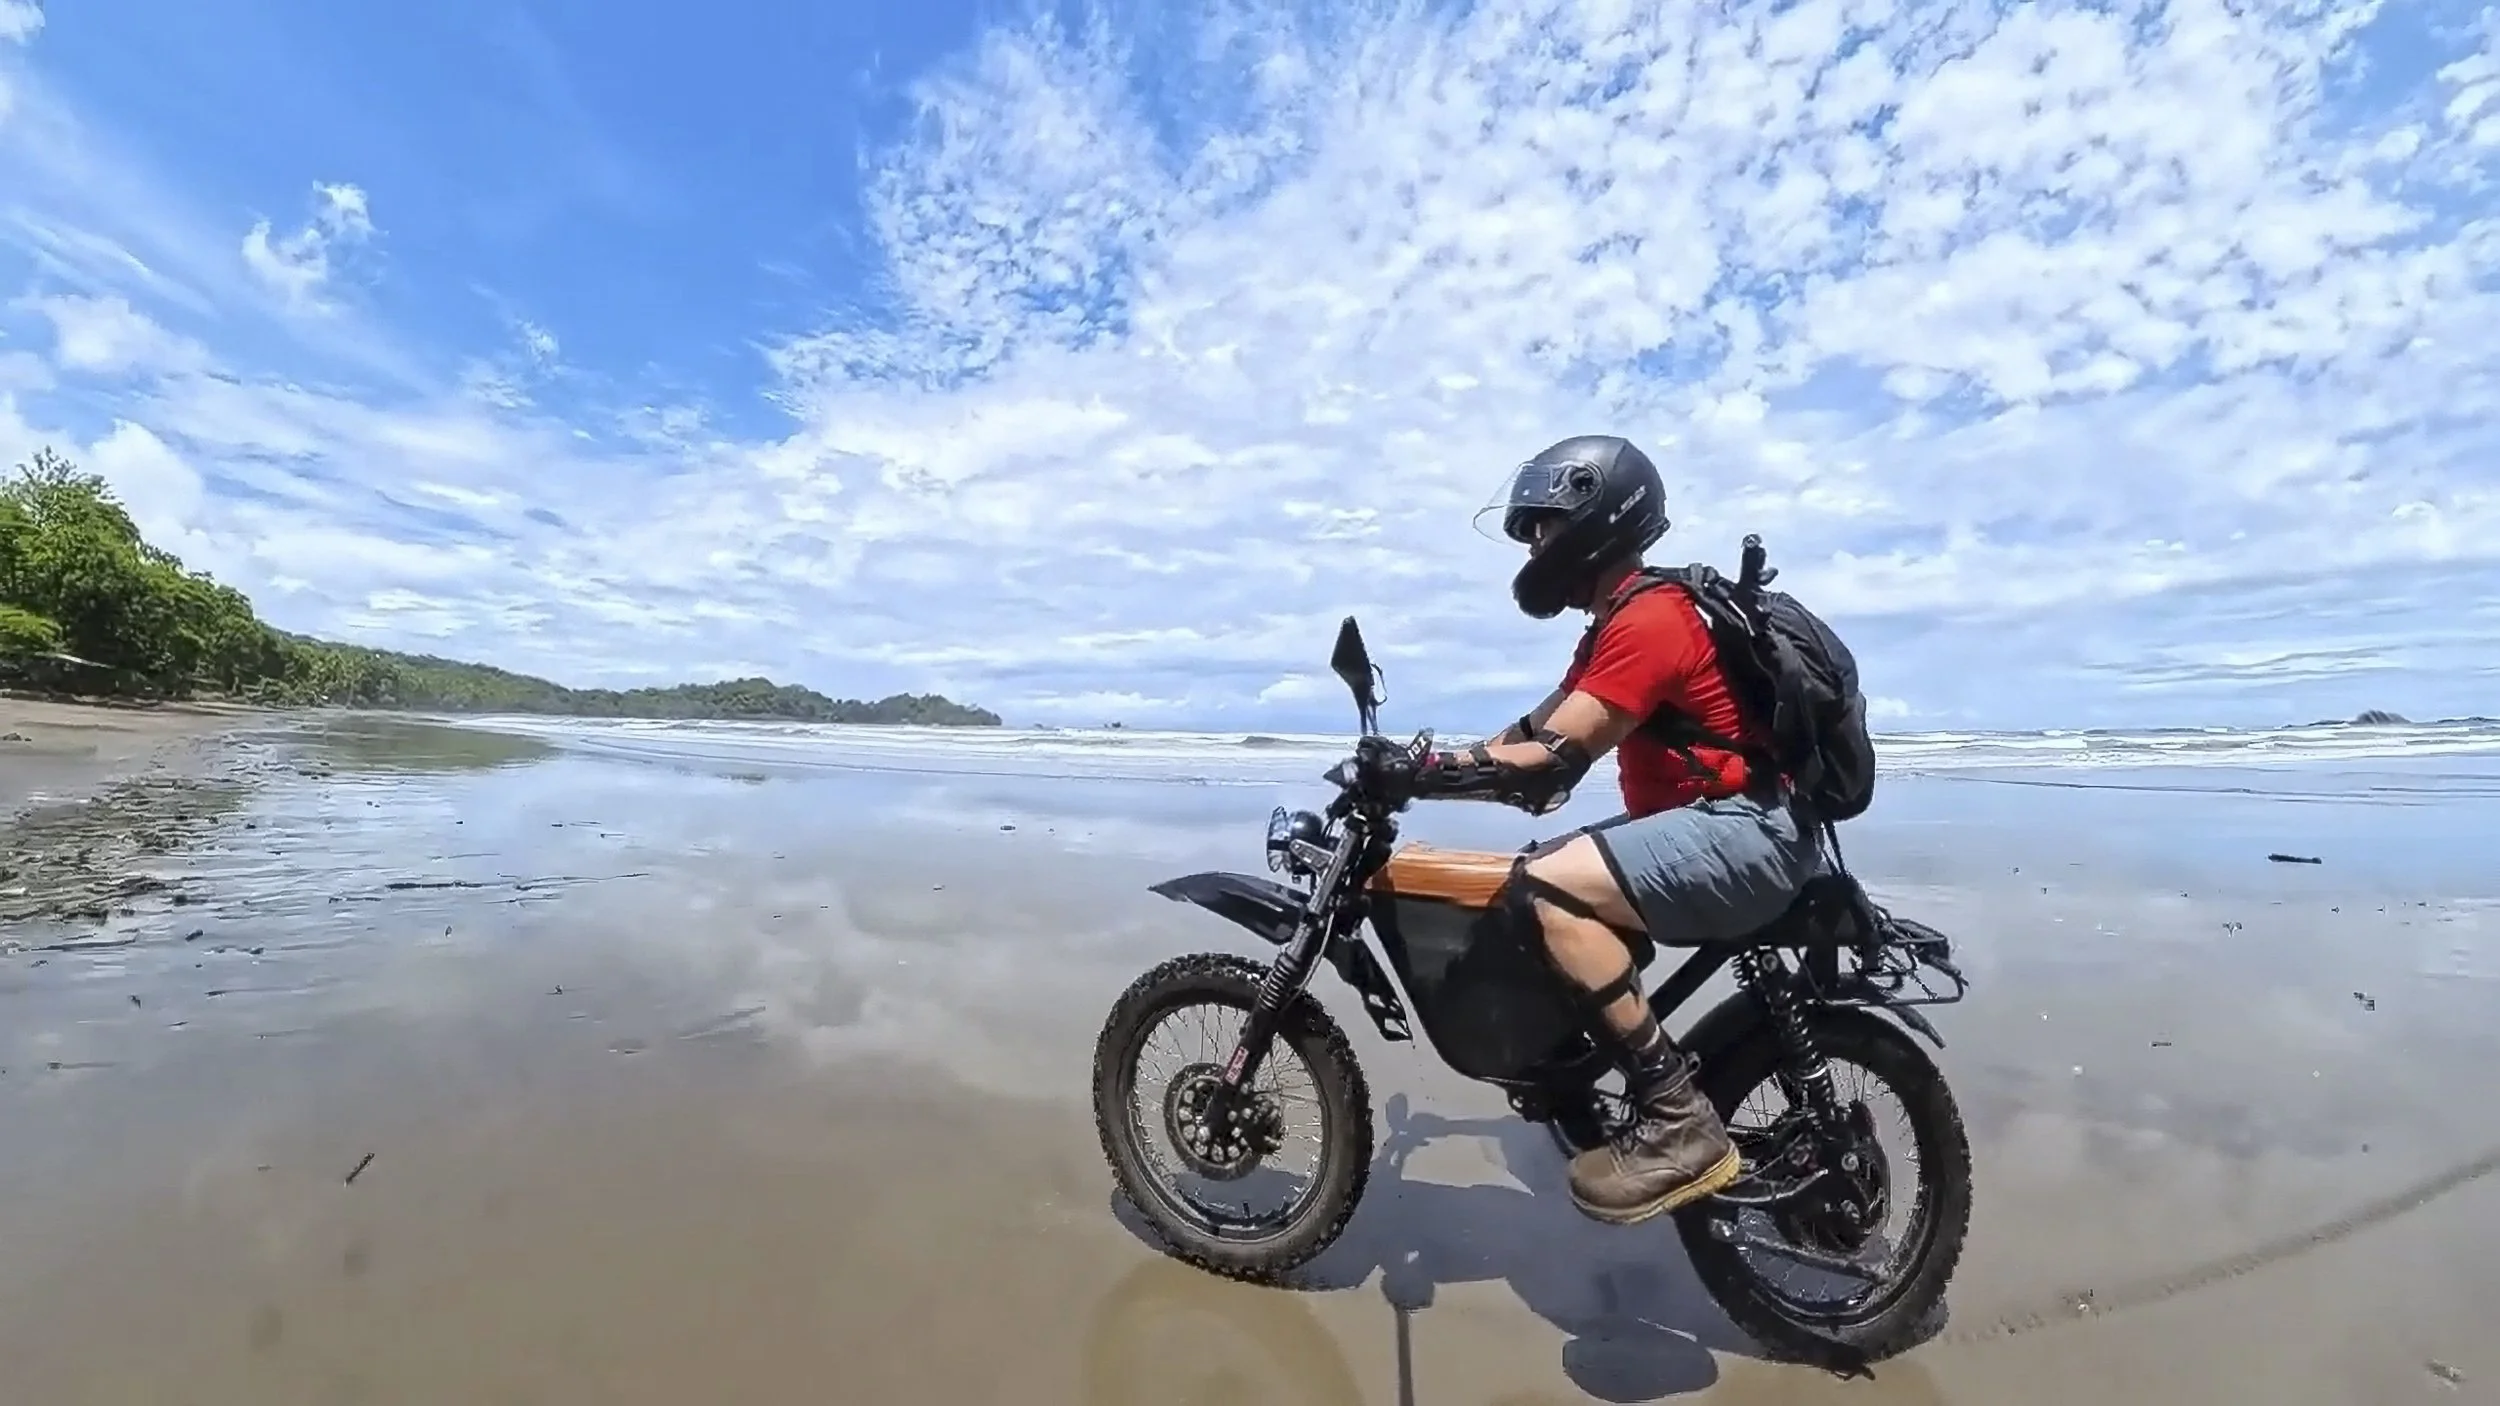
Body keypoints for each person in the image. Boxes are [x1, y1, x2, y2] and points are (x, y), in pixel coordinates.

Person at [1377, 434, 1824, 1224]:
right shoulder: (1615, 625)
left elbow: (1551, 759)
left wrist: (1428, 778)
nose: (1538, 545)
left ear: (1595, 514)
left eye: (1545, 525)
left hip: (1746, 831)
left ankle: (1679, 1119)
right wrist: (1425, 764)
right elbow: (1529, 732)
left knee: (1548, 888)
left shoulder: (1653, 619)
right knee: (1544, 866)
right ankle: (1588, 1071)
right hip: (1725, 823)